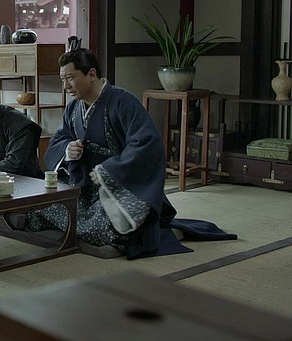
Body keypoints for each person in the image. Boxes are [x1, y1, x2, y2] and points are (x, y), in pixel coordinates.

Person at [32, 47, 235, 258]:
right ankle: (97, 236)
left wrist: (110, 171)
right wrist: (68, 149)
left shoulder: (122, 101)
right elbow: (59, 139)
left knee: (107, 220)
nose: (65, 86)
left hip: (123, 186)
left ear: (91, 74)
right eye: (63, 79)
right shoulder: (73, 108)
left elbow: (148, 143)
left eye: (70, 78)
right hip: (86, 186)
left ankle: (122, 237)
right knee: (47, 206)